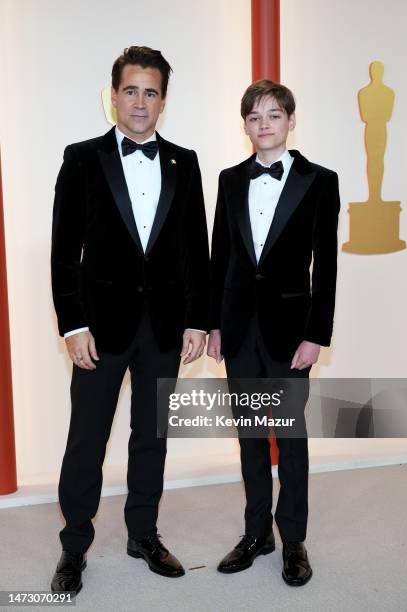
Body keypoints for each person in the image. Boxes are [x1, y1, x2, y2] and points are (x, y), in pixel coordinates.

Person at [50, 45, 210, 594]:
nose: (140, 102)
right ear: (113, 94)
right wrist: (72, 325)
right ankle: (74, 546)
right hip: (99, 328)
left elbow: (196, 249)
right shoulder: (80, 158)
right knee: (86, 440)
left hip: (164, 328)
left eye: (151, 92)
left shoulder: (184, 161)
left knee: (152, 439)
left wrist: (197, 319)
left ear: (164, 100)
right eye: (131, 90)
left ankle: (143, 533)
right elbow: (63, 250)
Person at [207, 80, 340, 586]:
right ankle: (256, 532)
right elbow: (222, 257)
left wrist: (316, 334)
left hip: (291, 331)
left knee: (290, 437)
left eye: (273, 115)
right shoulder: (228, 179)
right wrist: (216, 324)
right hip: (240, 329)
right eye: (254, 117)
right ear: (245, 125)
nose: (264, 124)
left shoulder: (319, 180)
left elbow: (324, 266)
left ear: (290, 121)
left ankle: (294, 539)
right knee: (249, 438)